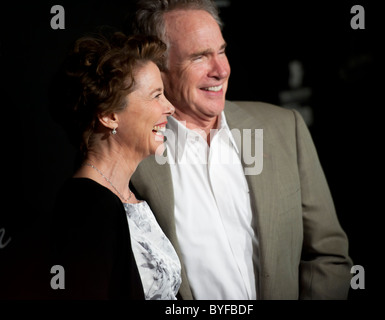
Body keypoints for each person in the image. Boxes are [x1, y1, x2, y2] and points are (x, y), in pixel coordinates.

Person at [128, 0, 353, 300]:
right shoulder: (132, 159)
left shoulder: (285, 128)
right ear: (159, 69)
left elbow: (329, 255)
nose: (221, 70)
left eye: (221, 51)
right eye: (200, 57)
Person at [49, 30, 180, 299]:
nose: (170, 107)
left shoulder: (131, 195)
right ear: (110, 116)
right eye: (156, 96)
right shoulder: (87, 207)